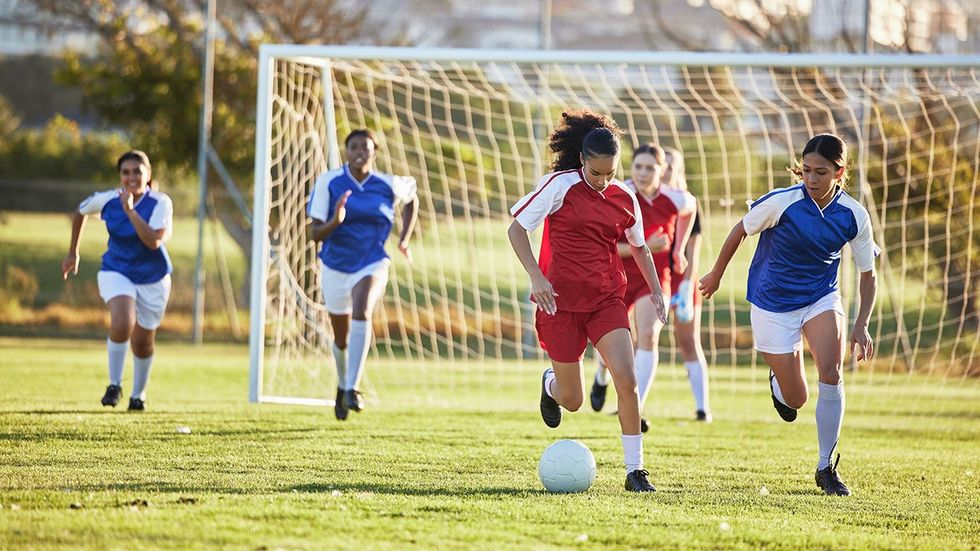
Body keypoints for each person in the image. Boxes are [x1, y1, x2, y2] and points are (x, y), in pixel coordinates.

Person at [699, 133, 879, 496]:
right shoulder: (782, 202)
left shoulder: (854, 215)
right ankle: (779, 382)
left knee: (831, 371)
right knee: (796, 399)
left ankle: (826, 466)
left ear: (839, 173)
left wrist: (861, 325)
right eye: (806, 171)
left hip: (821, 298)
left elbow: (868, 274)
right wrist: (716, 274)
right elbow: (739, 230)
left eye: (821, 172)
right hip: (771, 304)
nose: (811, 179)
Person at [507, 110, 668, 492]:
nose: (603, 181)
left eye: (610, 173)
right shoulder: (558, 186)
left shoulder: (625, 197)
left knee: (626, 380)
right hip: (558, 303)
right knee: (574, 400)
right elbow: (516, 230)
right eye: (596, 173)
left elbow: (640, 248)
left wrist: (657, 290)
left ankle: (635, 471)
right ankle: (550, 386)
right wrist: (536, 276)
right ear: (582, 160)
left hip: (605, 300)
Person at [307, 129, 418, 421]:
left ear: (374, 152)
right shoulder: (328, 182)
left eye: (365, 147)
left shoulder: (386, 183)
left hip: (372, 262)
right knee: (341, 339)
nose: (359, 151)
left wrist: (403, 238)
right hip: (335, 266)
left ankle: (353, 388)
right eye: (353, 146)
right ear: (346, 151)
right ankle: (343, 386)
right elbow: (314, 232)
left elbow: (412, 198)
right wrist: (336, 221)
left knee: (362, 309)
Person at [587, 144, 695, 433]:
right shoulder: (619, 194)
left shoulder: (674, 198)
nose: (644, 173)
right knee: (612, 345)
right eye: (639, 167)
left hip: (654, 279)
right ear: (631, 169)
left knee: (648, 335)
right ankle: (601, 374)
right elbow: (604, 246)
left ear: (663, 170)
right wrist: (645, 246)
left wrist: (678, 249)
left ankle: (638, 404)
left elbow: (691, 207)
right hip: (617, 276)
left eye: (651, 168)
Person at [62, 150, 174, 412]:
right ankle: (114, 384)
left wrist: (130, 211)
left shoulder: (161, 203)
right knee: (123, 321)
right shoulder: (107, 200)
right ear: (120, 176)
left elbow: (153, 241)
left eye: (137, 171)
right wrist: (72, 252)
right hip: (116, 270)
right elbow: (80, 212)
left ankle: (138, 395)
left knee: (143, 342)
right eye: (126, 172)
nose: (131, 177)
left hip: (153, 278)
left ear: (148, 176)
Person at [663, 147, 713, 422]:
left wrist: (685, 287)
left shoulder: (689, 203)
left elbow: (692, 252)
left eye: (672, 166)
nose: (667, 170)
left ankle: (703, 407)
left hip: (682, 281)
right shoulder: (647, 201)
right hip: (654, 280)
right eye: (664, 165)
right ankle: (633, 400)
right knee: (637, 339)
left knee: (688, 340)